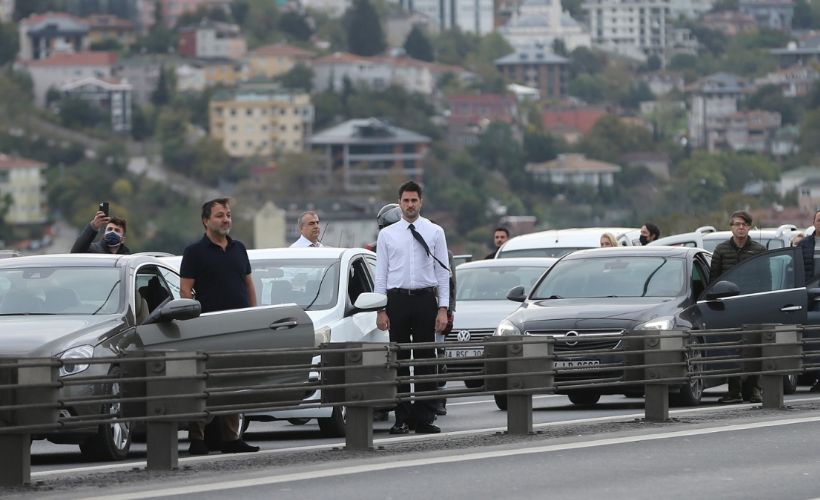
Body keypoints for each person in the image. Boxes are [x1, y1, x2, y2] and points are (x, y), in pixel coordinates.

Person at [180, 198, 259, 455]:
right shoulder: (194, 252)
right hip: (208, 327)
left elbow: (248, 284)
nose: (225, 219)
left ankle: (231, 438)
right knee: (204, 384)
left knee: (233, 383)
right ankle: (197, 438)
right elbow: (185, 289)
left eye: (227, 215)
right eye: (219, 215)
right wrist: (192, 319)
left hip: (237, 327)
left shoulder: (239, 249)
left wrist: (253, 315)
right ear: (206, 221)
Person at [375, 181, 450, 434]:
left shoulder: (434, 231)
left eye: (414, 200)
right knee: (399, 360)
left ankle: (424, 418)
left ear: (421, 202)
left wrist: (443, 308)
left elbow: (442, 273)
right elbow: (381, 274)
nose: (410, 205)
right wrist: (380, 309)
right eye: (405, 201)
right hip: (397, 300)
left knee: (425, 360)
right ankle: (402, 417)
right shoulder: (387, 235)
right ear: (399, 203)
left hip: (425, 300)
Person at [709, 210, 766, 404]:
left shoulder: (758, 249)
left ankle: (755, 390)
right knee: (732, 348)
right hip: (729, 305)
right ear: (731, 227)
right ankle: (734, 391)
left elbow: (766, 279)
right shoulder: (721, 250)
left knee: (754, 346)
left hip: (751, 304)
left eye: (744, 224)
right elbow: (713, 280)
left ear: (749, 227)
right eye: (736, 224)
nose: (740, 227)